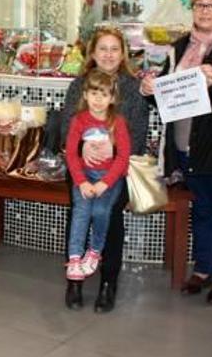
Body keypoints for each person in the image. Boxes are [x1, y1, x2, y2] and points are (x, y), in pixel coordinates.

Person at [140, 0, 212, 306]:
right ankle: (203, 269)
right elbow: (167, 97)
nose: (204, 11)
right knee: (201, 210)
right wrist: (150, 91)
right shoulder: (179, 46)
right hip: (185, 146)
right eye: (200, 5)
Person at [59, 25, 149, 313]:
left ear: (122, 53)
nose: (109, 55)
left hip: (116, 171)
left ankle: (108, 283)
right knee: (79, 211)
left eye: (114, 49)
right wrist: (80, 148)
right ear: (92, 53)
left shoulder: (132, 87)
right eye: (102, 49)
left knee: (109, 216)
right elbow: (65, 127)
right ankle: (74, 282)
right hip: (82, 170)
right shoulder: (79, 85)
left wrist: (113, 147)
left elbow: (139, 133)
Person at [64, 69, 131, 282]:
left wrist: (105, 182)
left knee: (101, 211)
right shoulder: (78, 121)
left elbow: (123, 157)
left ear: (112, 98)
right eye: (94, 94)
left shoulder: (117, 122)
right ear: (85, 95)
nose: (98, 100)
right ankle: (74, 258)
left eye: (104, 95)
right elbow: (72, 154)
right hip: (83, 175)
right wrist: (81, 182)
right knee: (82, 211)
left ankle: (95, 251)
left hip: (109, 177)